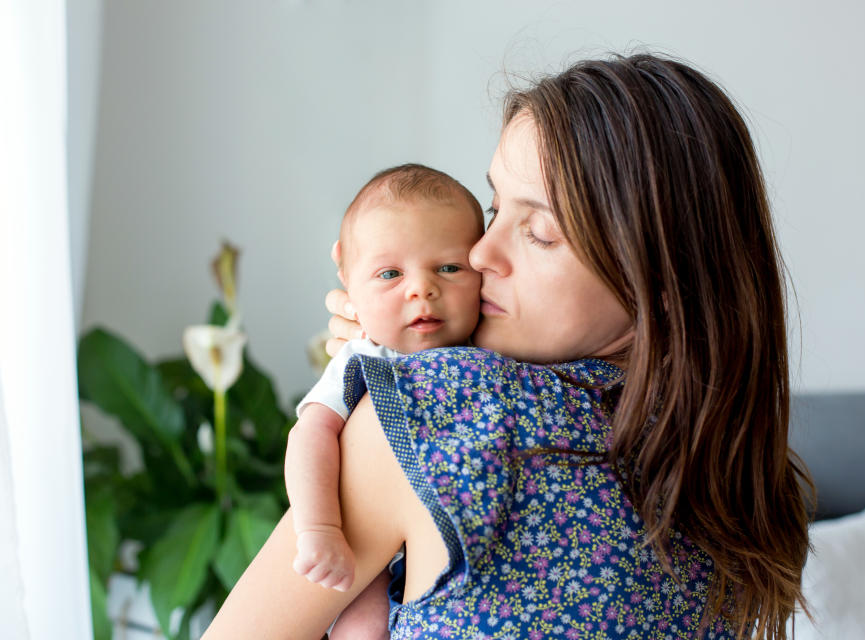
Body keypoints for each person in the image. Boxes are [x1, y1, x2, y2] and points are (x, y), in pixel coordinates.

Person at [202, 52, 813, 640]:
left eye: (540, 233)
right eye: (494, 209)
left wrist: (391, 367)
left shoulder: (443, 407)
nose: (479, 253)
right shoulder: (744, 475)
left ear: (656, 275)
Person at [285, 163, 484, 639]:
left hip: (447, 545)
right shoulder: (363, 356)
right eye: (390, 273)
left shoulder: (487, 348)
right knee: (362, 628)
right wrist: (320, 530)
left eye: (449, 268)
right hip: (364, 540)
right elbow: (309, 432)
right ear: (345, 275)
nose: (422, 289)